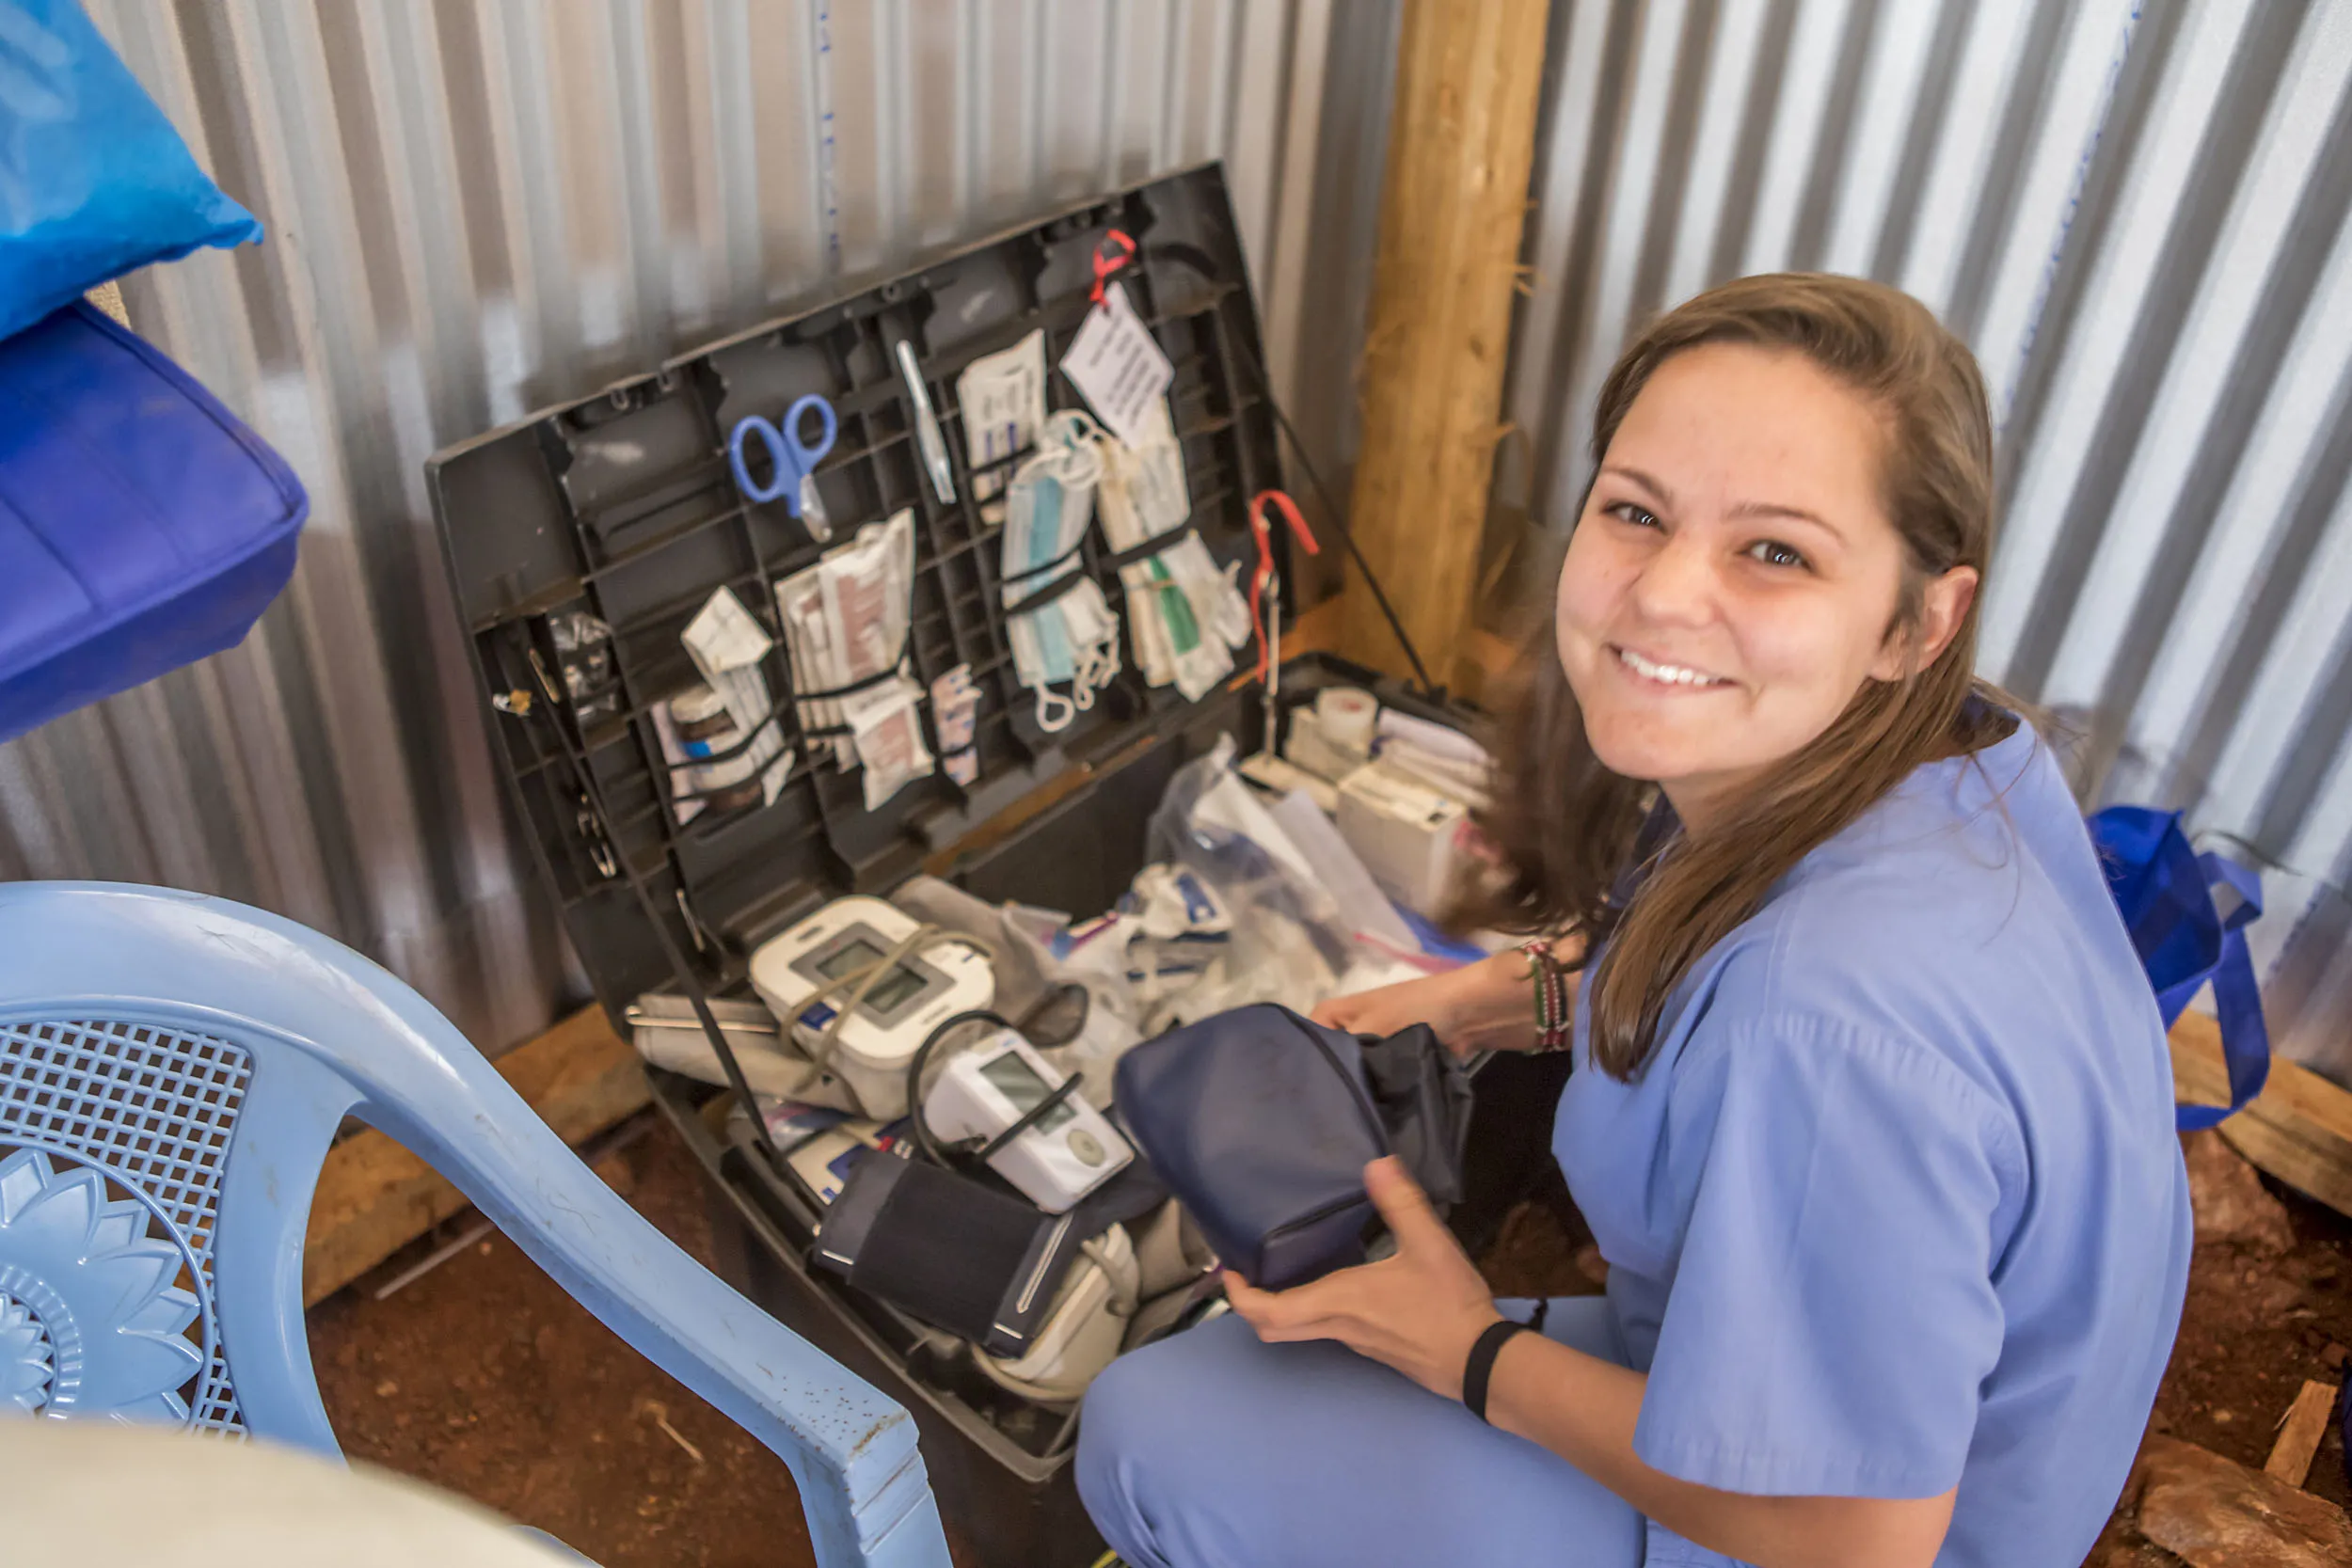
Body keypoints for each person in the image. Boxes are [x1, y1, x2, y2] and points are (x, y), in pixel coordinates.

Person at [1075, 274, 2191, 1568]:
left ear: (1918, 620)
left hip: (1838, 1528)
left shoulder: (1826, 1022)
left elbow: (1853, 1535)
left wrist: (1470, 1348)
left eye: (1775, 549)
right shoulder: (1944, 761)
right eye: (1635, 510)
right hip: (1933, 1427)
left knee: (1153, 1427)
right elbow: (1722, 920)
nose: (1663, 593)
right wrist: (1505, 993)